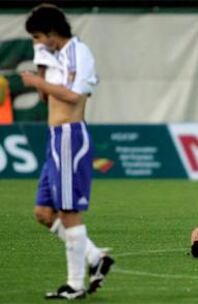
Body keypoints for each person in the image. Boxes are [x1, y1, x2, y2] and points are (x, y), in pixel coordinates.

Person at [21, 4, 114, 299]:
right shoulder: (53, 56)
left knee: (68, 210)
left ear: (51, 32)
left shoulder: (79, 52)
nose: (36, 43)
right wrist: (41, 69)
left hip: (69, 136)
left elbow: (74, 96)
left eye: (37, 37)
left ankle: (75, 286)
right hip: (54, 138)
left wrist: (38, 80)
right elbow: (44, 95)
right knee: (44, 212)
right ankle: (96, 258)